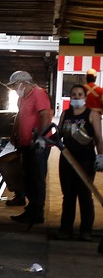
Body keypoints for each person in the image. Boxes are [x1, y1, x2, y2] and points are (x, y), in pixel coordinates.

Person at [55, 84, 103, 240]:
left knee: (84, 195)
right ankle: (65, 229)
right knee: (68, 195)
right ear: (70, 97)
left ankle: (86, 231)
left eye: (80, 94)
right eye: (74, 94)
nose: (76, 97)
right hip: (67, 159)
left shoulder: (92, 114)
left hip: (86, 161)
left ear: (85, 97)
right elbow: (58, 134)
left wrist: (100, 156)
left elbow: (98, 138)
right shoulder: (65, 114)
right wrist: (44, 141)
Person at [7, 70, 53, 224]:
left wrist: (41, 137)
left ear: (24, 83)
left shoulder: (38, 94)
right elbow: (20, 115)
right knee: (28, 177)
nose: (14, 89)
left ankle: (37, 212)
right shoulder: (22, 97)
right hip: (26, 143)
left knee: (37, 177)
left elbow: (45, 115)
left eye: (15, 85)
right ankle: (31, 209)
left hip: (39, 145)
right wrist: (15, 133)